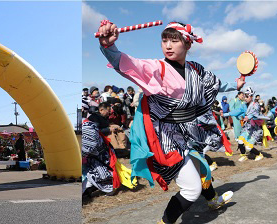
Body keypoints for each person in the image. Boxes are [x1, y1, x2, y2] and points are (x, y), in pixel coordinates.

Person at [99, 21, 243, 223]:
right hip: (165, 138)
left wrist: (235, 85)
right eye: (164, 40)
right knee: (192, 189)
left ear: (187, 44)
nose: (167, 45)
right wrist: (109, 47)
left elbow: (215, 84)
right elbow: (127, 63)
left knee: (202, 167)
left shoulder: (197, 70)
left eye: (174, 41)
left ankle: (211, 200)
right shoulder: (158, 69)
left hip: (189, 133)